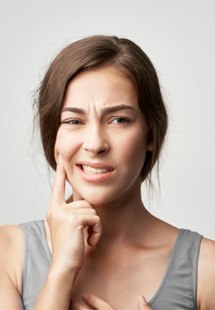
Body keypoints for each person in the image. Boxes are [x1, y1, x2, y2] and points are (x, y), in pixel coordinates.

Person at [0, 35, 214, 310]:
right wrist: (61, 271)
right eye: (74, 121)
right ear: (54, 137)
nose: (95, 144)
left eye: (119, 120)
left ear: (151, 132)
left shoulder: (207, 268)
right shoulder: (7, 253)